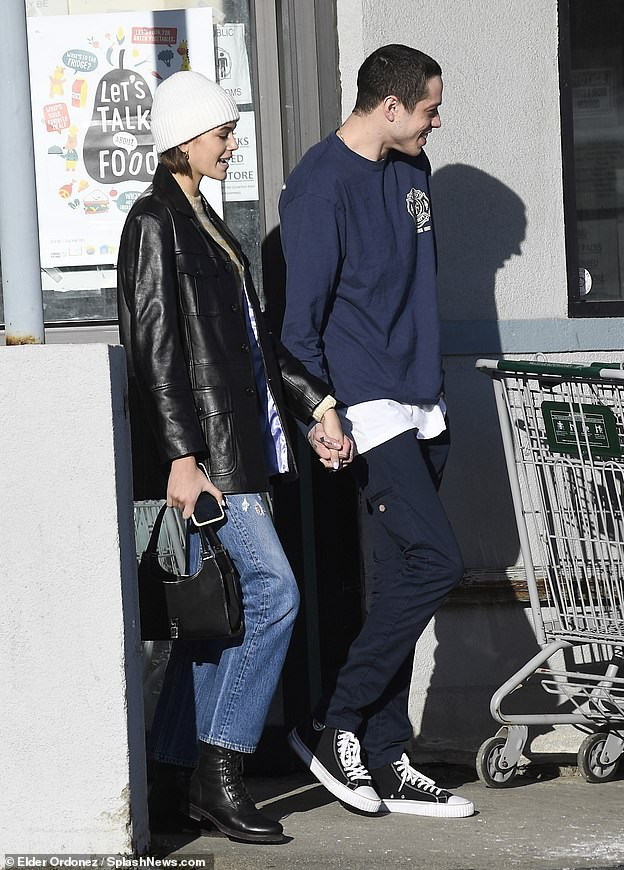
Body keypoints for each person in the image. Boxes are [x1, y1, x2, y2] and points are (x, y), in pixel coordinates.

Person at [117, 70, 352, 844]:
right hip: (210, 457)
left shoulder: (206, 222)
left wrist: (314, 402)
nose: (231, 145)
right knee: (273, 594)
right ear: (184, 138)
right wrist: (182, 457)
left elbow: (252, 343)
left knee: (215, 620)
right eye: (222, 133)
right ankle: (220, 778)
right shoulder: (154, 221)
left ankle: (173, 773)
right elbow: (154, 350)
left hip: (239, 449)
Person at [279, 44, 475, 819]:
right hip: (370, 406)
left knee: (400, 583)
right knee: (438, 563)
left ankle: (388, 754)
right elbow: (298, 326)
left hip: (426, 401)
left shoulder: (413, 168)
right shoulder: (319, 185)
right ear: (389, 107)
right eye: (429, 108)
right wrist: (322, 410)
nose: (436, 120)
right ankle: (337, 722)